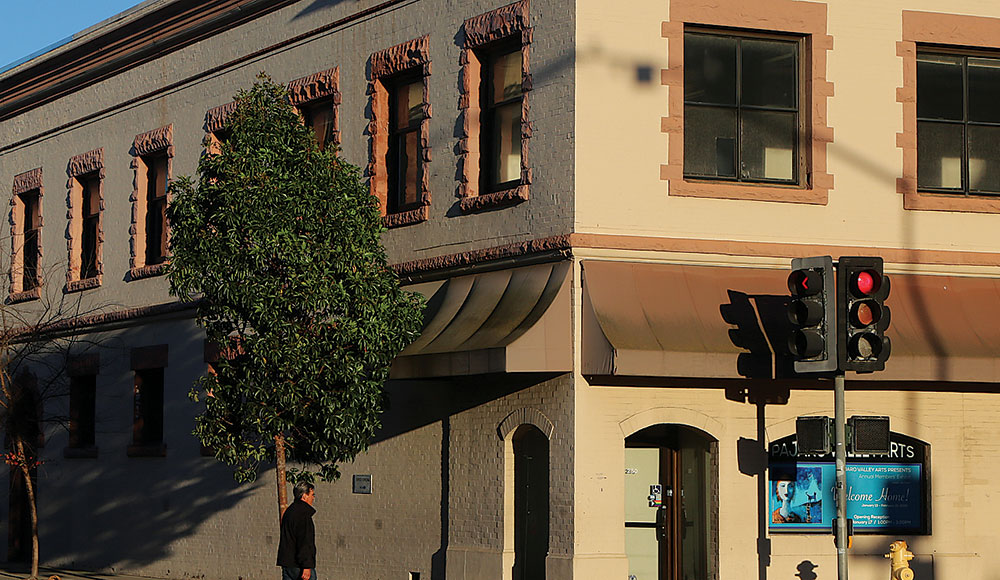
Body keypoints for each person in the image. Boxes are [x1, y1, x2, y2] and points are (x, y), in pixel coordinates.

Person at [277, 481, 317, 580]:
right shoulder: (303, 515)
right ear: (304, 496)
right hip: (299, 565)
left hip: (287, 563)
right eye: (312, 494)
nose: (313, 498)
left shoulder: (289, 511)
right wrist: (307, 566)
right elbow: (305, 541)